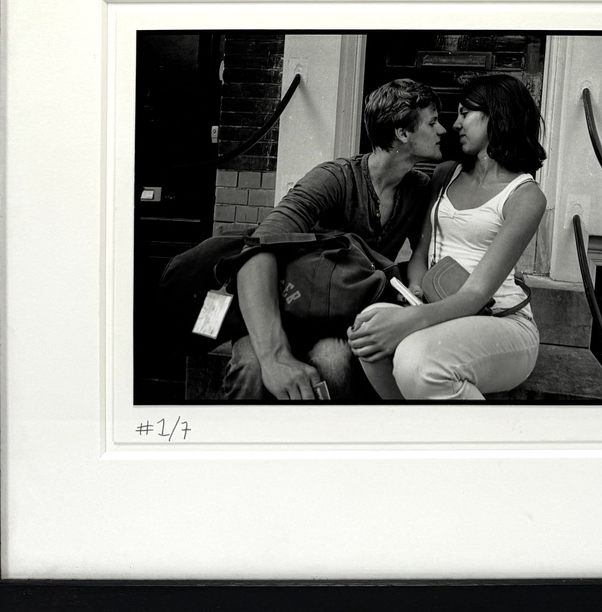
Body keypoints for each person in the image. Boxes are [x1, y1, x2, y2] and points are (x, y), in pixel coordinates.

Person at [223, 78, 445, 401]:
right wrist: (275, 356)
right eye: (433, 122)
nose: (443, 130)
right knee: (252, 369)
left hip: (339, 319)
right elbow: (256, 250)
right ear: (402, 132)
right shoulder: (334, 179)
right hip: (284, 308)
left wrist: (414, 293)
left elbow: (420, 256)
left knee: (336, 363)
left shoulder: (419, 189)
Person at [347, 74, 548, 400]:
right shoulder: (446, 174)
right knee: (368, 325)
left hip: (501, 321)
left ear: (496, 115)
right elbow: (421, 253)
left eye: (465, 113)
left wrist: (410, 319)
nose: (455, 124)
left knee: (417, 362)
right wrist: (415, 291)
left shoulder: (525, 195)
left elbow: (477, 293)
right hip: (437, 303)